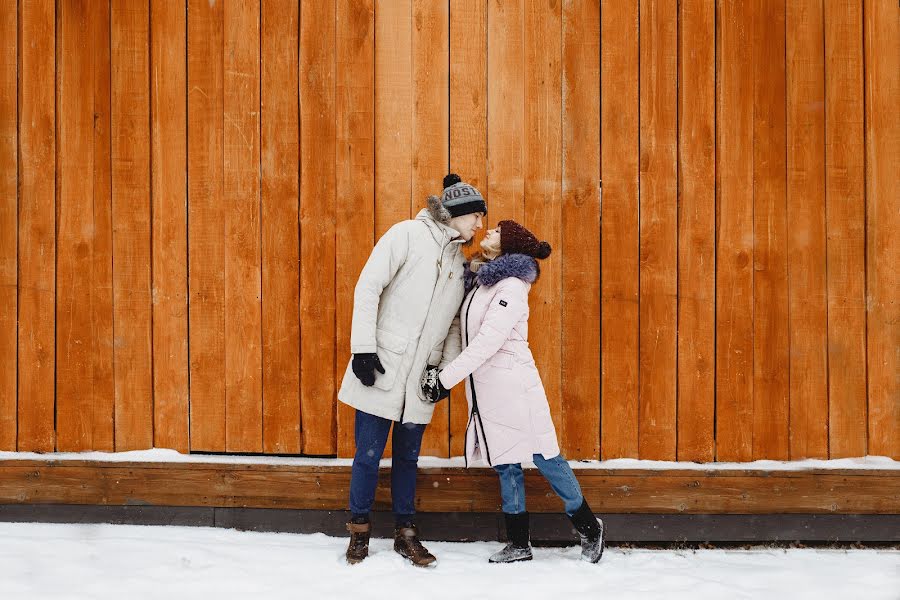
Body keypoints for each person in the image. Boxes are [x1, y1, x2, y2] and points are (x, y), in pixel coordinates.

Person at [422, 220, 605, 564]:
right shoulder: (482, 281)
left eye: (495, 231)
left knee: (545, 457)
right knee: (505, 463)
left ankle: (589, 527)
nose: (487, 231)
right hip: (489, 390)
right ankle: (519, 544)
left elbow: (488, 341)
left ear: (507, 246)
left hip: (516, 388)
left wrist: (445, 378)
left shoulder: (511, 286)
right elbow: (463, 332)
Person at [338, 173, 487, 566]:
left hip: (421, 376)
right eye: (476, 216)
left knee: (407, 460)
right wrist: (363, 350)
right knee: (368, 455)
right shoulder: (405, 234)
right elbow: (368, 287)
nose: (479, 225)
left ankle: (406, 534)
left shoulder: (459, 261)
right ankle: (359, 532)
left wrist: (444, 373)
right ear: (456, 213)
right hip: (383, 365)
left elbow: (454, 324)